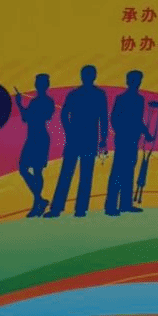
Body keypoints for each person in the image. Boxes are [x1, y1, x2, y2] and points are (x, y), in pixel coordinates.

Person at [46, 65, 108, 218]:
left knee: (72, 173)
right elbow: (102, 118)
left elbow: (103, 118)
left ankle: (64, 208)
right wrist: (102, 140)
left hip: (80, 138)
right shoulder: (95, 94)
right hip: (84, 138)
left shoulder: (78, 94)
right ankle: (76, 209)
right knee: (79, 174)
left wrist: (102, 139)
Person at [104, 70, 154, 216]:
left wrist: (146, 133)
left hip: (133, 139)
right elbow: (114, 118)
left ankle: (125, 204)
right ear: (128, 81)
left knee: (129, 170)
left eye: (138, 80)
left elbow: (138, 120)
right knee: (118, 171)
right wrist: (122, 132)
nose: (137, 83)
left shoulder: (140, 100)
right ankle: (111, 206)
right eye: (135, 80)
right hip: (123, 139)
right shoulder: (121, 99)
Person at [15, 74, 56, 218]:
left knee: (34, 170)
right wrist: (20, 105)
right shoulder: (40, 102)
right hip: (34, 137)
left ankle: (37, 202)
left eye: (38, 83)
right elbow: (26, 118)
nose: (37, 85)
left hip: (38, 137)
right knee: (26, 169)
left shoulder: (44, 102)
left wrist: (20, 105)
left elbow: (28, 117)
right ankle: (39, 200)